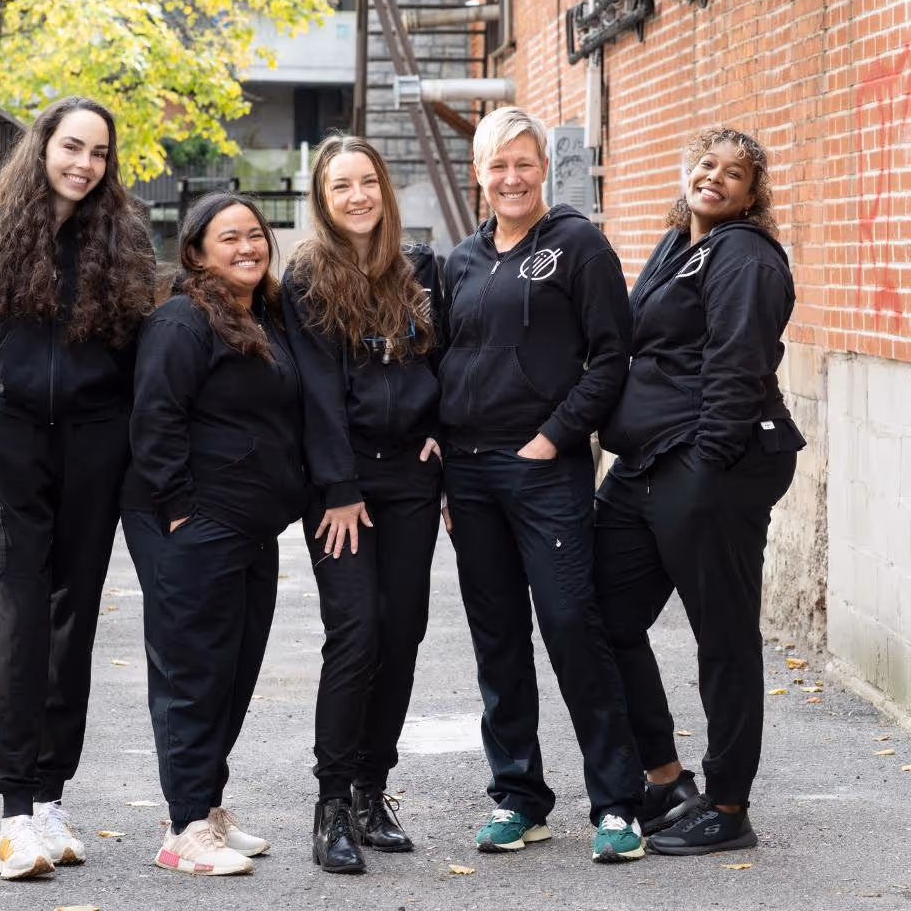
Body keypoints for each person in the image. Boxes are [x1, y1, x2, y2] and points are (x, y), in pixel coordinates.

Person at [0, 96, 156, 880]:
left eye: (99, 154)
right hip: (14, 445)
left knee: (72, 622)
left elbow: (136, 355)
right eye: (72, 147)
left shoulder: (121, 239)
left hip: (94, 449)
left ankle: (52, 799)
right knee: (20, 623)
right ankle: (14, 815)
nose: (85, 164)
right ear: (43, 145)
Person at [438, 106, 646, 865]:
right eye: (498, 165)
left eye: (524, 163)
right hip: (469, 474)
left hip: (542, 471)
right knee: (497, 640)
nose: (512, 177)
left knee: (570, 626)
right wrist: (445, 475)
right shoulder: (460, 261)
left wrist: (551, 438)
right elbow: (444, 366)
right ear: (480, 174)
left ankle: (619, 804)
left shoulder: (577, 247)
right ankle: (518, 798)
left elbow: (611, 357)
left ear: (543, 170)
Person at [594, 127, 805, 855]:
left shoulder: (744, 255)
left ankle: (727, 802)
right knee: (601, 615)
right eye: (707, 165)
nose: (716, 179)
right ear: (689, 170)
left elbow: (738, 365)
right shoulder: (675, 246)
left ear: (752, 195)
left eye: (735, 174)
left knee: (722, 638)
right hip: (647, 463)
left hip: (709, 466)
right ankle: (665, 779)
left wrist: (705, 465)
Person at [121, 192, 307, 877]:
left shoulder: (266, 318)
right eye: (228, 238)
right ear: (197, 252)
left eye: (255, 235)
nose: (247, 247)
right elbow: (156, 418)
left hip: (250, 528)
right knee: (192, 674)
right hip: (194, 524)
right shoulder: (182, 319)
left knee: (232, 671)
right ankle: (182, 828)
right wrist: (178, 513)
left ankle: (206, 806)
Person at [281, 135, 443, 875]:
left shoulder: (420, 272)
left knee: (403, 632)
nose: (356, 196)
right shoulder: (308, 279)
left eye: (366, 182)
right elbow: (316, 394)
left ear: (384, 189)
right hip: (342, 488)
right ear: (322, 197)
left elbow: (450, 362)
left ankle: (373, 790)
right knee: (357, 631)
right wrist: (339, 489)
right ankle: (330, 803)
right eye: (340, 185)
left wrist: (443, 428)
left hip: (412, 480)